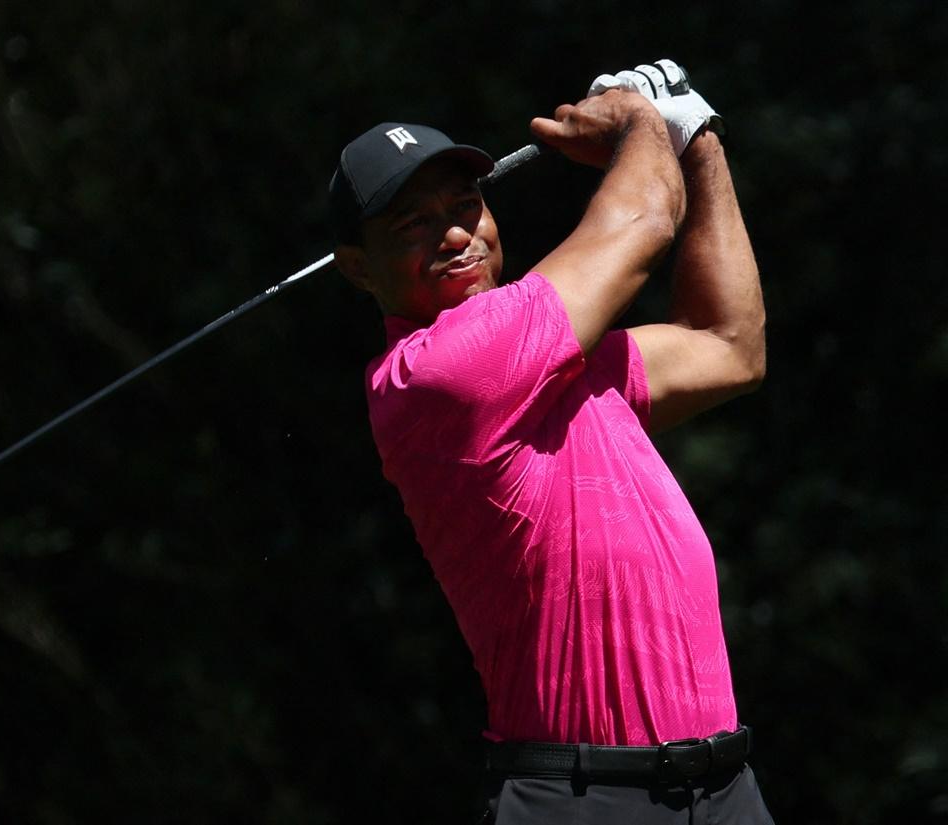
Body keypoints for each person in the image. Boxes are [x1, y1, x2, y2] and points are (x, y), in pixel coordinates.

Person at [328, 60, 772, 824]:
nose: (458, 233)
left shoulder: (555, 362)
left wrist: (698, 141)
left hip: (725, 786)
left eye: (466, 203)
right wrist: (643, 119)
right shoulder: (438, 376)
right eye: (414, 224)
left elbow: (729, 344)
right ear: (358, 270)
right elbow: (641, 223)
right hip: (582, 797)